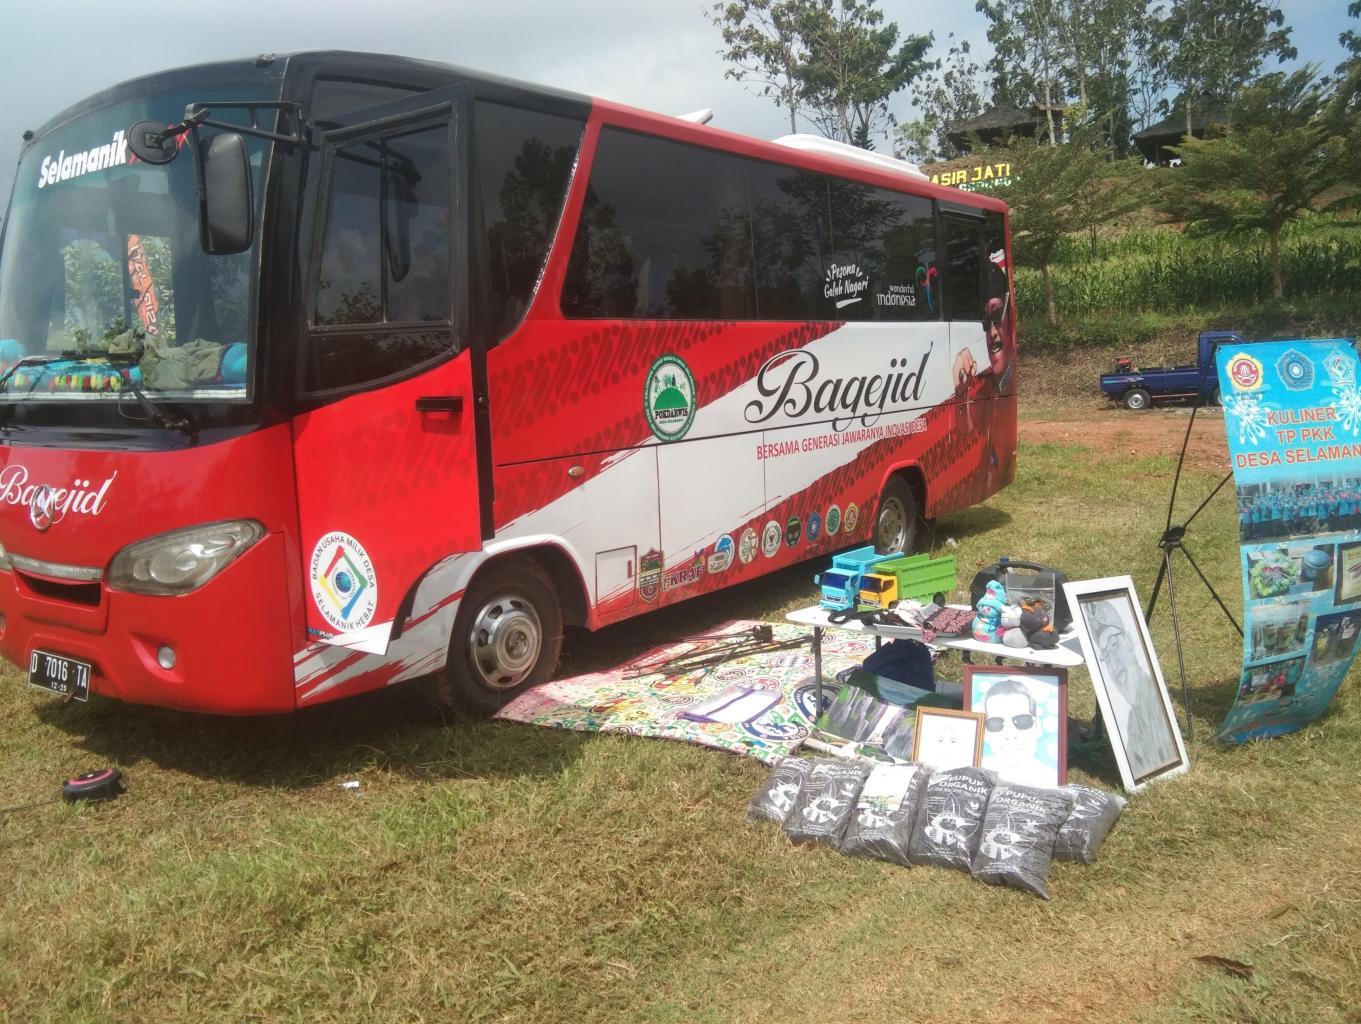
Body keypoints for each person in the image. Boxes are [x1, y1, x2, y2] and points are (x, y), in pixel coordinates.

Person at [981, 679, 1048, 786]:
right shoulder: (973, 774)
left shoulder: (1051, 780)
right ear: (985, 733)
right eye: (996, 723)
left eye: (1022, 721)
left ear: (1037, 727)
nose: (1010, 734)